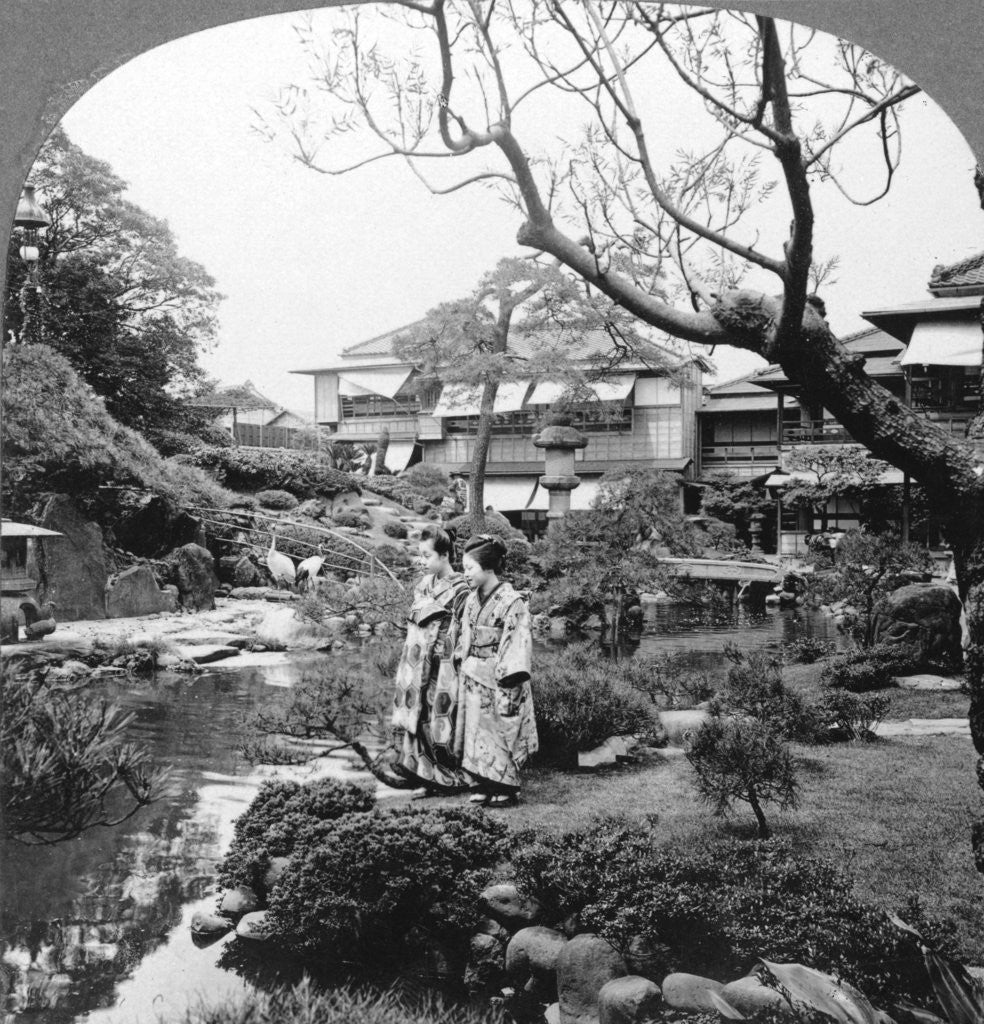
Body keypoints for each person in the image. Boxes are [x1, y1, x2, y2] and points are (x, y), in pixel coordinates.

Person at [453, 533, 537, 807]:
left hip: (499, 675)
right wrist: (461, 660)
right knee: (473, 731)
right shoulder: (471, 600)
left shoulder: (512, 601)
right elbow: (463, 635)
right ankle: (479, 782)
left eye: (469, 568)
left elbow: (516, 641)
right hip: (472, 672)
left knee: (498, 730)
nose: (465, 574)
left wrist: (506, 675)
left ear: (488, 567)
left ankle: (505, 785)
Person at [391, 526, 470, 796]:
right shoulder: (424, 584)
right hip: (418, 660)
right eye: (420, 556)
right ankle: (424, 775)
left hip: (445, 660)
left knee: (442, 716)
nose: (421, 561)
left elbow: (463, 629)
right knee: (419, 714)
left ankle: (448, 776)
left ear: (445, 555)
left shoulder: (462, 588)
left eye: (427, 556)